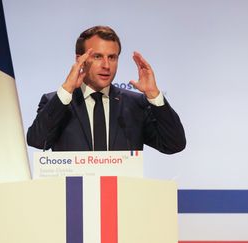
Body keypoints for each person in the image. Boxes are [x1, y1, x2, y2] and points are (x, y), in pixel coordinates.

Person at [27, 26, 186, 154]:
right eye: (97, 56)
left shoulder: (135, 104)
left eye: (112, 57)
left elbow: (173, 144)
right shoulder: (58, 102)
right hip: (75, 193)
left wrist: (154, 95)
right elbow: (37, 141)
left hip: (123, 193)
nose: (106, 65)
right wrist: (67, 89)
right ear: (80, 60)